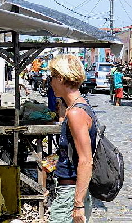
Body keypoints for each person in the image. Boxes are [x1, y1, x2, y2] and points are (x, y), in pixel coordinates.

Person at [48, 54, 98, 223]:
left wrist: (78, 205)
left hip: (70, 194)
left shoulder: (76, 113)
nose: (51, 82)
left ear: (61, 78)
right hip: (71, 190)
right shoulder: (78, 107)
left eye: (52, 77)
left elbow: (85, 160)